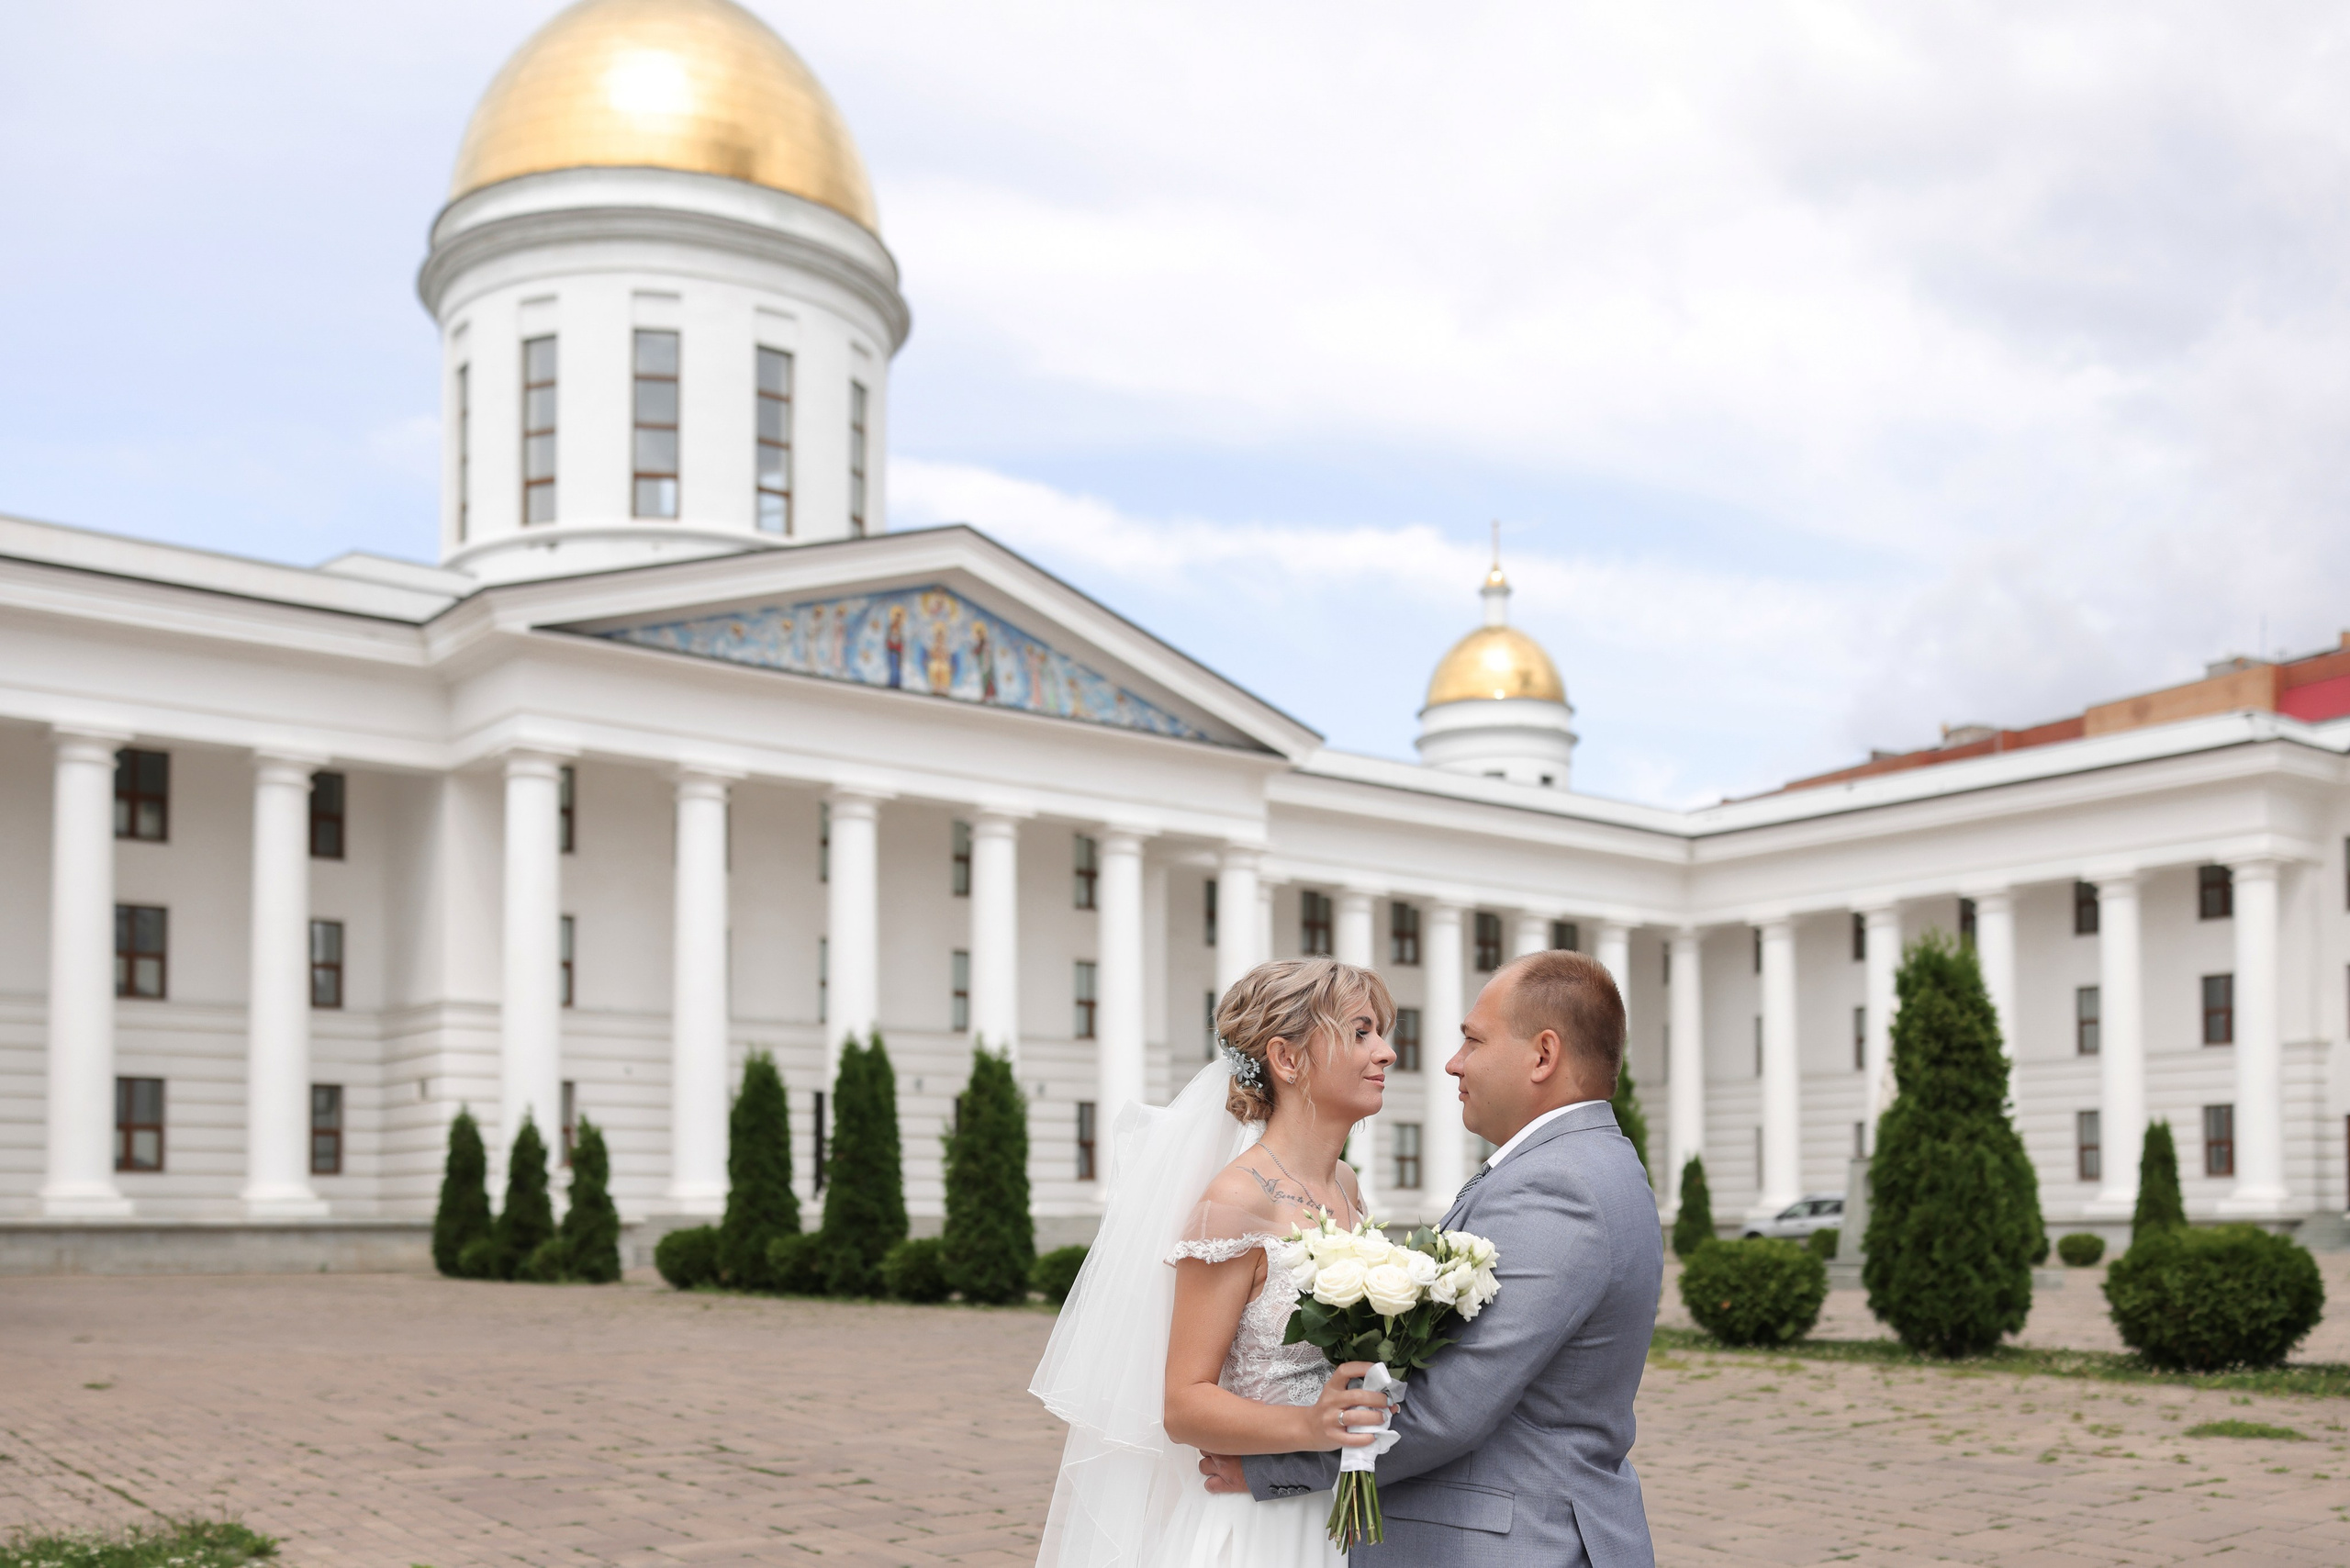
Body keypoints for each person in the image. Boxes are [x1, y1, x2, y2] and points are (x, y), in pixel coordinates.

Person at [1203, 948, 1661, 1568]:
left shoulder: (1559, 1186)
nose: (1450, 1062)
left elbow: (1448, 1412)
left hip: (1506, 1538)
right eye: (1361, 1033)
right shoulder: (1587, 1165)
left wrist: (1273, 1470)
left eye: (1473, 1040)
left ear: (1544, 1055)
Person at [1030, 958, 1400, 1568]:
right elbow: (1184, 1403)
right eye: (1361, 1032)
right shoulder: (1237, 1199)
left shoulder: (1345, 1183)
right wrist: (1312, 1427)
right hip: (1263, 1529)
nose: (1385, 1052)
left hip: (1342, 1506)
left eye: (1382, 1032)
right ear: (1287, 1059)